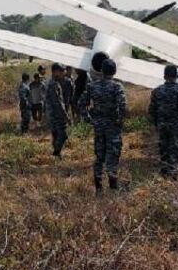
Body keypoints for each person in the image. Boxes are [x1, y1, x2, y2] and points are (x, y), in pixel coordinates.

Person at [80, 58, 127, 193]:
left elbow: (81, 103)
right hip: (112, 127)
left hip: (99, 126)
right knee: (113, 156)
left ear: (101, 71)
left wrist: (88, 118)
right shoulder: (117, 87)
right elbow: (123, 106)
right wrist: (119, 120)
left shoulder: (92, 86)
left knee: (100, 156)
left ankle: (99, 188)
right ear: (114, 71)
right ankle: (113, 188)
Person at [149, 64, 178, 179]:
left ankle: (164, 172)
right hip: (177, 126)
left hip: (162, 125)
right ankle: (174, 174)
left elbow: (151, 110)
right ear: (176, 77)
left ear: (165, 77)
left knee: (164, 148)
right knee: (176, 149)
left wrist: (156, 123)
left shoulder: (157, 91)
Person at [46, 63, 71, 158]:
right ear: (56, 72)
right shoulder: (54, 84)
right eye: (61, 71)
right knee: (63, 135)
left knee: (56, 134)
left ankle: (57, 154)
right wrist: (66, 116)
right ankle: (56, 152)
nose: (63, 73)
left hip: (52, 114)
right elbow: (59, 103)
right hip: (56, 114)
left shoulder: (53, 82)